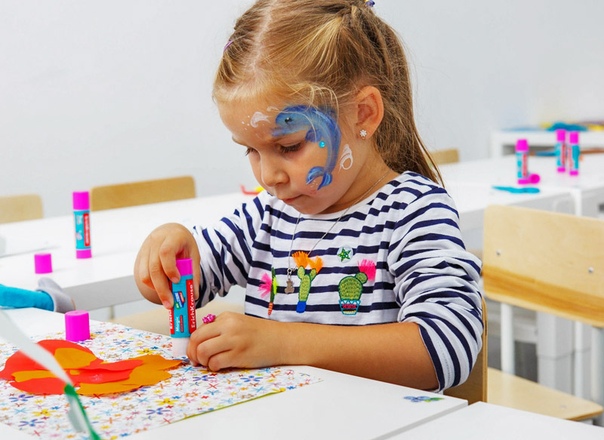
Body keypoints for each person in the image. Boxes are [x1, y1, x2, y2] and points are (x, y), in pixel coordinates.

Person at [134, 0, 482, 392]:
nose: (269, 177)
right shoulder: (268, 217)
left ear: (363, 113)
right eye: (250, 150)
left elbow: (446, 348)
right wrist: (167, 253)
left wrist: (282, 343)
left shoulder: (412, 212)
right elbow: (186, 284)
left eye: (290, 146)